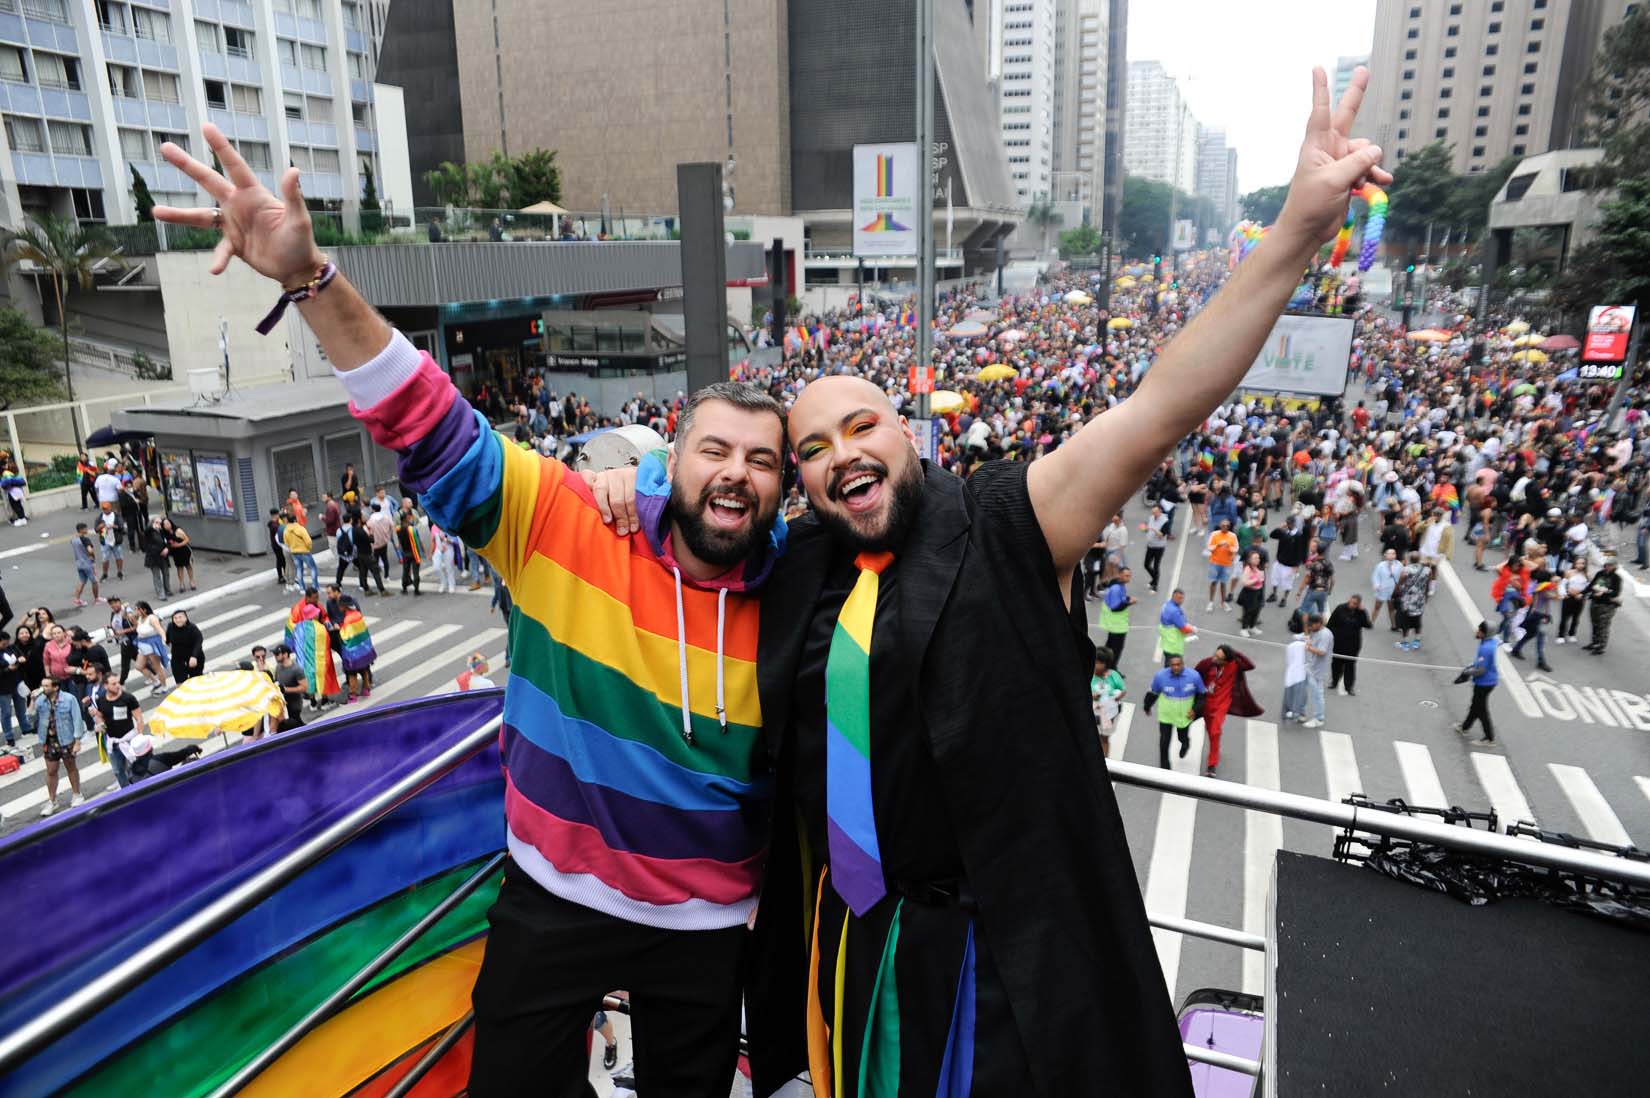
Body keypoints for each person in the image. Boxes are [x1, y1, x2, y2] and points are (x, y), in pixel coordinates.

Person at [163, 60, 1389, 1094]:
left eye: (824, 439)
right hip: (716, 928)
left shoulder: (967, 532)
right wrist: (315, 283)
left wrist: (1291, 234)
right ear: (702, 467)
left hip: (891, 947)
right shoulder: (670, 543)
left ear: (908, 435)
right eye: (760, 451)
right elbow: (431, 426)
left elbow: (1158, 408)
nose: (784, 466)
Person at [1192, 644, 1261, 778]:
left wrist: (1236, 652)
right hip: (1206, 703)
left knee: (1215, 731)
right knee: (1211, 733)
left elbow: (1250, 665)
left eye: (1219, 657)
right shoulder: (1206, 663)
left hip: (1222, 704)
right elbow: (1194, 676)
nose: (1214, 658)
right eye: (1215, 654)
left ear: (1227, 661)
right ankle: (1214, 750)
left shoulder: (1234, 665)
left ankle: (1212, 765)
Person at [32, 675, 86, 816]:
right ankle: (52, 800)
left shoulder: (69, 699)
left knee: (71, 768)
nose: (43, 688)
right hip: (49, 741)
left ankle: (76, 794)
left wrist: (77, 741)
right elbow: (30, 717)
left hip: (66, 739)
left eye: (46, 686)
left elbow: (77, 719)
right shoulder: (40, 701)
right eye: (42, 685)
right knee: (51, 771)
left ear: (55, 687)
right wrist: (32, 701)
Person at [1143, 653, 1206, 769]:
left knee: (1182, 736)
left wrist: (1195, 710)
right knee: (1164, 741)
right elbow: (1153, 693)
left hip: (1184, 716)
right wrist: (1147, 706)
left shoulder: (1194, 676)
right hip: (1166, 715)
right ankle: (1165, 766)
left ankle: (1185, 744)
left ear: (1183, 664)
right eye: (1173, 665)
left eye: (1178, 664)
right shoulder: (1160, 676)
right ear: (1169, 665)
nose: (1176, 667)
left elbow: (1202, 696)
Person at [93, 672, 145, 788]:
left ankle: (141, 788)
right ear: (106, 686)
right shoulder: (101, 699)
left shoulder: (128, 698)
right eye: (114, 683)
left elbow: (139, 718)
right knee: (118, 770)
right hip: (112, 741)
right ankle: (126, 791)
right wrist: (100, 724)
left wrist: (140, 738)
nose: (117, 685)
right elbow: (100, 715)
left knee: (137, 767)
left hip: (129, 739)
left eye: (118, 683)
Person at [1456, 621, 1500, 748]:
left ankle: (1489, 738)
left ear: (1485, 633)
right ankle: (1465, 727)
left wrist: (1466, 672)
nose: (1477, 632)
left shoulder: (1486, 648)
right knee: (1475, 705)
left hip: (1484, 683)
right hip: (1488, 681)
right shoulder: (1490, 642)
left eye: (1480, 630)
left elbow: (1481, 670)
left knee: (1481, 710)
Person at [1509, 567, 1556, 672]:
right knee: (1540, 637)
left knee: (1531, 634)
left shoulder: (1538, 586)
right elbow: (1550, 597)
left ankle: (1516, 649)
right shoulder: (1541, 588)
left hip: (1537, 614)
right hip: (1537, 615)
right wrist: (1557, 590)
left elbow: (1547, 601)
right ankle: (1541, 661)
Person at [1326, 595, 1373, 696]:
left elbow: (1368, 625)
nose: (1351, 605)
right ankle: (1334, 681)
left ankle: (1349, 686)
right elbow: (1330, 624)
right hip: (1338, 642)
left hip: (1353, 644)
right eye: (1350, 602)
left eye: (1355, 604)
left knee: (1350, 665)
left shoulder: (1360, 613)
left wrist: (1363, 612)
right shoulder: (1340, 609)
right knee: (1336, 663)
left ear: (1358, 604)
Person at [1583, 555, 1622, 655]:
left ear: (1614, 566)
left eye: (1610, 565)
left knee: (1603, 625)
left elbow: (1616, 593)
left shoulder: (1616, 578)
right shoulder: (1600, 573)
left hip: (1607, 605)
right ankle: (1595, 642)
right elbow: (1591, 585)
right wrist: (1583, 593)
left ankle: (1601, 645)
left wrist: (1603, 593)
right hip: (1595, 602)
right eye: (1606, 564)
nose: (1607, 566)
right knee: (1595, 623)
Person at [1090, 646, 1125, 758]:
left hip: (1109, 714)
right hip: (1092, 714)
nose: (1096, 665)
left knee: (1104, 739)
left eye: (1100, 663)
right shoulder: (1087, 674)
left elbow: (1123, 691)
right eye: (1095, 661)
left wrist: (1116, 696)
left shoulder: (1113, 676)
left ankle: (1105, 761)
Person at [1096, 566, 1135, 664]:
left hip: (1116, 623)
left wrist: (1127, 598)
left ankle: (1105, 664)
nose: (1128, 578)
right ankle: (1111, 668)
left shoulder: (1119, 585)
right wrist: (1130, 602)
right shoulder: (1116, 588)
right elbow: (1115, 608)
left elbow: (1120, 598)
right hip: (1116, 625)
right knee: (1116, 648)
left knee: (1110, 645)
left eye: (1129, 576)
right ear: (1120, 575)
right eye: (1126, 575)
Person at [1393, 551, 1431, 652]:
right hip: (1419, 599)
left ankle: (1405, 643)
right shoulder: (1427, 570)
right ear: (1419, 559)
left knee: (1405, 621)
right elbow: (1428, 584)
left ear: (1410, 559)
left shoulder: (1406, 570)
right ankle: (1416, 642)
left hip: (1407, 600)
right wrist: (1426, 595)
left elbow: (1400, 584)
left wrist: (1396, 591)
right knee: (1417, 620)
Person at [131, 600, 170, 697]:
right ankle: (156, 681)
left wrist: (164, 639)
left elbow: (160, 629)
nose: (136, 611)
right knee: (139, 666)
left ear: (144, 609)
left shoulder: (151, 618)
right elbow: (130, 619)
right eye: (135, 609)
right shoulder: (140, 618)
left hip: (152, 645)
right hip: (142, 645)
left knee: (157, 667)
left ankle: (164, 687)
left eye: (138, 609)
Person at [1301, 613, 1331, 728]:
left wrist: (1308, 648)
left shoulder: (1325, 635)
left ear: (1318, 623)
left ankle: (1319, 718)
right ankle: (1300, 711)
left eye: (1311, 625)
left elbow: (1322, 652)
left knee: (1317, 694)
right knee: (1301, 687)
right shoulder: (1316, 630)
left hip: (1318, 669)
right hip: (1311, 665)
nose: (1309, 628)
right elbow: (1308, 636)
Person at [271, 644, 307, 731]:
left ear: (285, 654)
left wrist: (286, 689)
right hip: (283, 703)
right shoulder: (278, 666)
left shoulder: (296, 670)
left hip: (294, 704)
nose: (275, 657)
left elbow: (304, 687)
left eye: (277, 654)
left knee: (295, 724)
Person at [1205, 517, 1239, 612]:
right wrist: (1217, 545)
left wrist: (1229, 547)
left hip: (1227, 564)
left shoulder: (1232, 536)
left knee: (1223, 583)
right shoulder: (1214, 534)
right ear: (1220, 526)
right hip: (1215, 562)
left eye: (1227, 526)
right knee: (1213, 582)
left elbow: (1236, 549)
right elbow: (1209, 547)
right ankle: (1211, 602)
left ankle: (1223, 602)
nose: (1225, 527)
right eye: (1223, 525)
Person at [1158, 587, 1197, 666]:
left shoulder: (1166, 605)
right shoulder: (1174, 611)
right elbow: (1184, 629)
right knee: (1174, 668)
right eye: (1179, 598)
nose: (1181, 600)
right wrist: (1193, 629)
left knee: (1168, 665)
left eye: (1182, 598)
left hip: (1167, 643)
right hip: (1174, 647)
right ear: (1173, 596)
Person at [166, 609, 205, 684]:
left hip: (193, 658)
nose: (178, 620)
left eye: (180, 617)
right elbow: (167, 638)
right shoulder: (170, 626)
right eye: (175, 618)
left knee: (196, 682)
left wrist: (194, 656)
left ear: (185, 618)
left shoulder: (192, 628)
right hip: (177, 659)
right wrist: (166, 641)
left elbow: (199, 641)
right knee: (180, 682)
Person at [283, 511, 319, 591]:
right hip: (305, 552)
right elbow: (308, 541)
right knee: (313, 568)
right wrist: (308, 548)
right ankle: (315, 586)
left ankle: (302, 588)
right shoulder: (300, 529)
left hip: (294, 552)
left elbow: (286, 543)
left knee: (299, 569)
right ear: (295, 520)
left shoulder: (286, 531)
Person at [107, 596, 138, 686]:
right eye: (111, 604)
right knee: (137, 659)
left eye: (115, 602)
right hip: (122, 641)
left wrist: (122, 631)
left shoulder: (127, 612)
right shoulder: (113, 613)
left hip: (128, 641)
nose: (113, 605)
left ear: (120, 602)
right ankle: (155, 673)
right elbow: (114, 625)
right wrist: (111, 629)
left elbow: (136, 626)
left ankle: (121, 683)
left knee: (125, 665)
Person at [1236, 549, 1267, 637]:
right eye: (1255, 558)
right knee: (1248, 612)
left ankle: (1252, 626)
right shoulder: (1248, 569)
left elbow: (1262, 579)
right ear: (1249, 560)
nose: (1258, 560)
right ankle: (1244, 628)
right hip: (1249, 593)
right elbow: (1244, 582)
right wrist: (1255, 580)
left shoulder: (1259, 567)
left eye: (1258, 558)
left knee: (1256, 610)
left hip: (1258, 592)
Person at [1371, 547, 1403, 630]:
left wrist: (1401, 587)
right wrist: (1376, 585)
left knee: (1391, 608)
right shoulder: (1380, 566)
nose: (1391, 555)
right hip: (1382, 590)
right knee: (1377, 607)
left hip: (1392, 591)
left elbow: (1402, 577)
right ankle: (1371, 623)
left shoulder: (1399, 565)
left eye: (1393, 553)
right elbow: (1375, 576)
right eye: (1389, 553)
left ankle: (1394, 625)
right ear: (1385, 555)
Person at [70, 522, 101, 608]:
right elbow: (90, 550)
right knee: (94, 581)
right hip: (87, 563)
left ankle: (77, 600)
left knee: (82, 581)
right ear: (82, 530)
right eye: (86, 529)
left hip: (79, 563)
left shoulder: (73, 540)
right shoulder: (85, 540)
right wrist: (93, 557)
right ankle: (97, 599)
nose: (87, 530)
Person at [395, 510, 424, 595]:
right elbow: (418, 541)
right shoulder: (412, 530)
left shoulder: (398, 529)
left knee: (405, 571)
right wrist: (422, 551)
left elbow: (399, 542)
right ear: (406, 519)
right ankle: (416, 590)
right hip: (413, 552)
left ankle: (404, 588)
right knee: (415, 572)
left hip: (405, 552)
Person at [142, 517, 172, 599]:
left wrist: (167, 548)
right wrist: (152, 527)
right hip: (153, 557)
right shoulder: (149, 532)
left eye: (160, 522)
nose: (159, 524)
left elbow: (168, 541)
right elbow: (146, 544)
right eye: (157, 522)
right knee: (157, 576)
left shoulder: (162, 532)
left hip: (163, 556)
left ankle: (167, 590)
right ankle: (160, 593)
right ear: (152, 523)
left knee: (166, 573)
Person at [1142, 503, 1169, 591]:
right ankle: (1155, 579)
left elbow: (1162, 535)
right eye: (1153, 512)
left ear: (1160, 511)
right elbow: (1147, 528)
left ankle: (1155, 584)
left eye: (1155, 512)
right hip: (1150, 545)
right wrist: (1145, 528)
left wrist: (1153, 529)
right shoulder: (1151, 518)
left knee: (1156, 565)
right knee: (1146, 565)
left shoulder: (1165, 521)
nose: (1154, 514)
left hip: (1159, 547)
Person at [164, 517, 196, 592]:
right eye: (165, 524)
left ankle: (192, 582)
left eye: (168, 523)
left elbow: (187, 539)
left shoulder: (178, 530)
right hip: (176, 552)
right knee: (179, 567)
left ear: (171, 523)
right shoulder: (165, 534)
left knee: (188, 566)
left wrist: (178, 545)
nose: (167, 525)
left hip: (184, 550)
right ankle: (181, 584)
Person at [267, 507, 289, 587]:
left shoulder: (273, 523)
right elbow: (281, 531)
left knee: (280, 560)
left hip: (275, 544)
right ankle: (281, 576)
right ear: (275, 515)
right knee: (281, 560)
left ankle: (282, 576)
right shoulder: (275, 525)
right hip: (277, 545)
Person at [2, 460, 28, 525]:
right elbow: (23, 482)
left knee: (15, 506)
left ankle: (21, 519)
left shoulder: (6, 473)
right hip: (18, 491)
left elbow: (5, 484)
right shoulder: (16, 474)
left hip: (12, 493)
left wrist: (7, 483)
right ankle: (22, 518)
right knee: (19, 505)